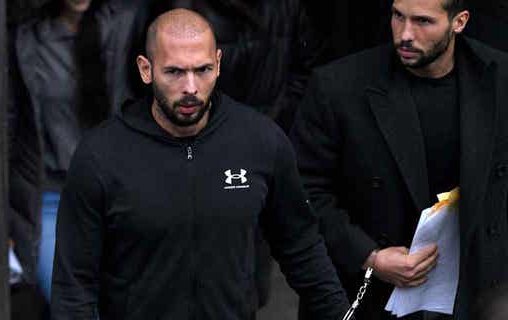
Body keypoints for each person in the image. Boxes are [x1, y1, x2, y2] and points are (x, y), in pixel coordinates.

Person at [51, 8, 349, 320]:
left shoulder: (259, 141)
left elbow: (301, 247)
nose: (191, 88)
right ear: (145, 69)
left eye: (203, 70)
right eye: (175, 72)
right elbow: (74, 285)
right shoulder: (101, 155)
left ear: (219, 63)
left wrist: (340, 314)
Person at [290, 0, 508, 319]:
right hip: (371, 292)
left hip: (472, 289)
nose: (405, 34)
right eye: (397, 16)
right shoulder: (339, 86)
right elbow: (301, 188)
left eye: (422, 21)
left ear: (458, 22)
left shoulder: (498, 78)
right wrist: (369, 256)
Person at [7, 0, 109, 307]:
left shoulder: (124, 25)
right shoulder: (29, 39)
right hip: (52, 193)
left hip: (114, 192)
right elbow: (8, 126)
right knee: (65, 297)